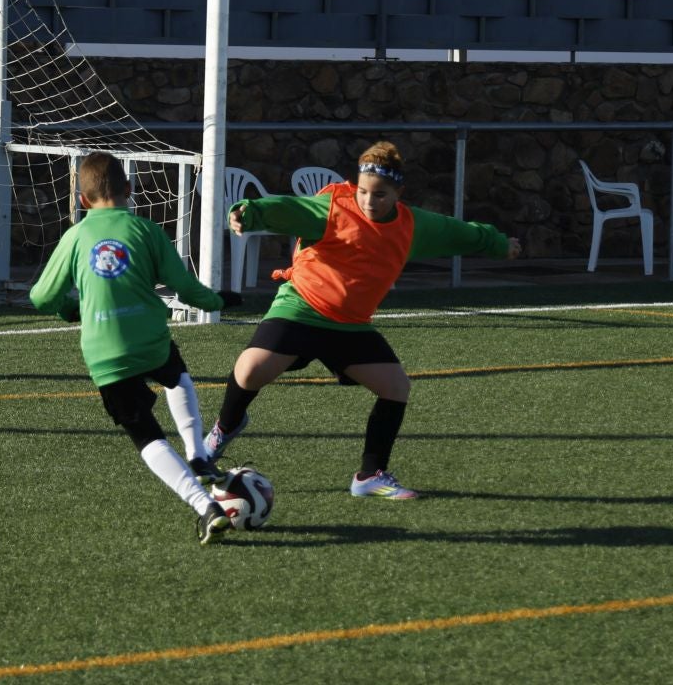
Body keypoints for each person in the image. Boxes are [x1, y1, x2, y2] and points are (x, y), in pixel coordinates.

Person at [205, 140, 520, 499]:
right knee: (249, 370)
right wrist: (247, 211)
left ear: (399, 193)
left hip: (349, 325)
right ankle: (224, 429)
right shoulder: (331, 208)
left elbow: (457, 233)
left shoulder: (412, 226)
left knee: (396, 387)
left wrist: (498, 244)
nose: (369, 201)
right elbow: (286, 208)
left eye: (380, 194)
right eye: (364, 191)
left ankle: (370, 476)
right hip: (301, 308)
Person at [28, 151, 244, 544]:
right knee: (175, 374)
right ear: (129, 190)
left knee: (146, 435)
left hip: (106, 354)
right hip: (151, 341)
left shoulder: (75, 237)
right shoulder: (146, 231)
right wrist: (217, 301)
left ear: (81, 200)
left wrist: (68, 309)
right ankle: (198, 454)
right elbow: (186, 286)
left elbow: (41, 297)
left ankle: (204, 505)